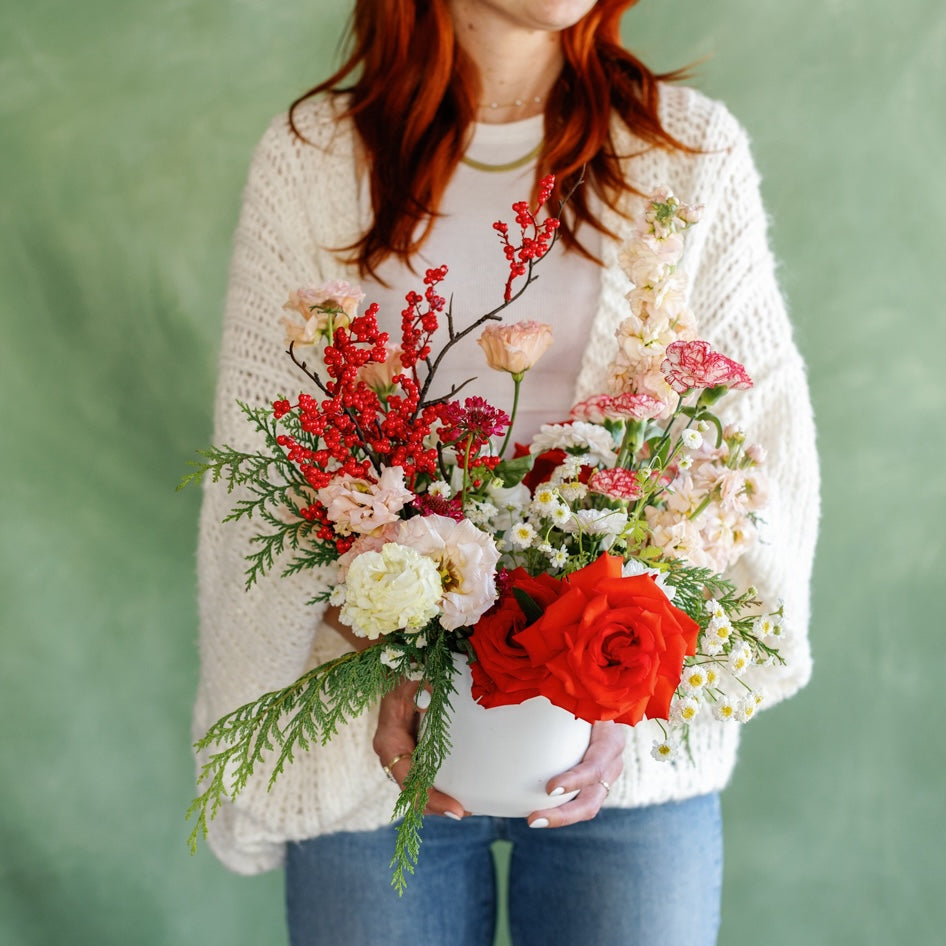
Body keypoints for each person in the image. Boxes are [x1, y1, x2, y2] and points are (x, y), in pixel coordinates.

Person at [193, 1, 820, 943]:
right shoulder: (316, 158)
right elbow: (267, 453)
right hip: (371, 747)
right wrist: (381, 649)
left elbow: (750, 442)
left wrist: (640, 680)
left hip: (625, 754)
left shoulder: (685, 149)